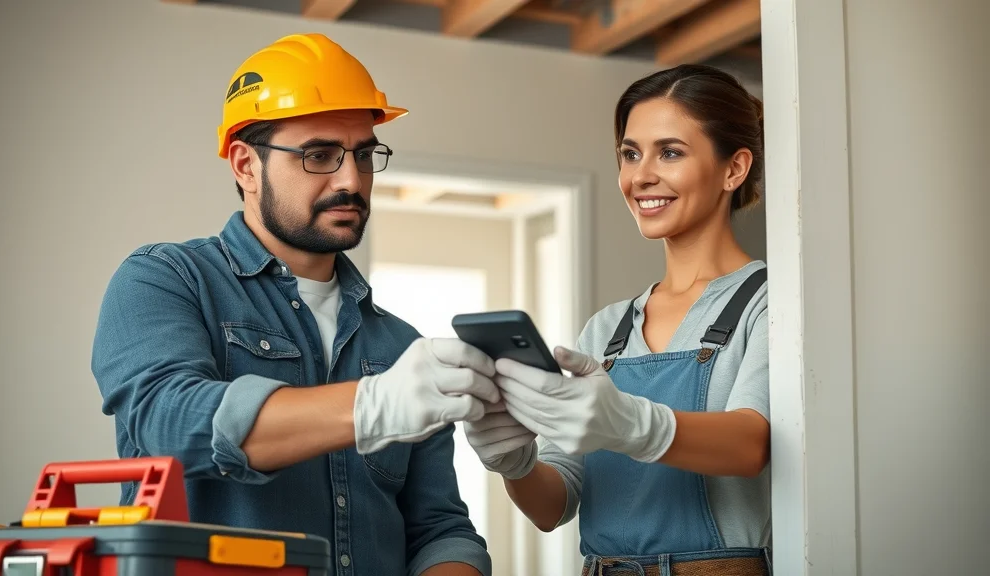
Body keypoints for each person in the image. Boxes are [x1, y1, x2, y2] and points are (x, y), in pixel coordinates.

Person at [91, 33, 495, 576]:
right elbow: (166, 424)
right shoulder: (166, 279)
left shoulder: (401, 347)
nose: (352, 180)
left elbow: (439, 530)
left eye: (364, 154)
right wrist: (371, 404)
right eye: (319, 155)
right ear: (245, 165)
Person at [464, 64, 772, 575]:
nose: (640, 176)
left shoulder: (768, 303)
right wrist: (515, 464)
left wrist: (632, 424)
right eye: (630, 154)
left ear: (733, 169)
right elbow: (553, 507)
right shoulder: (607, 330)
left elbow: (749, 443)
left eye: (669, 152)